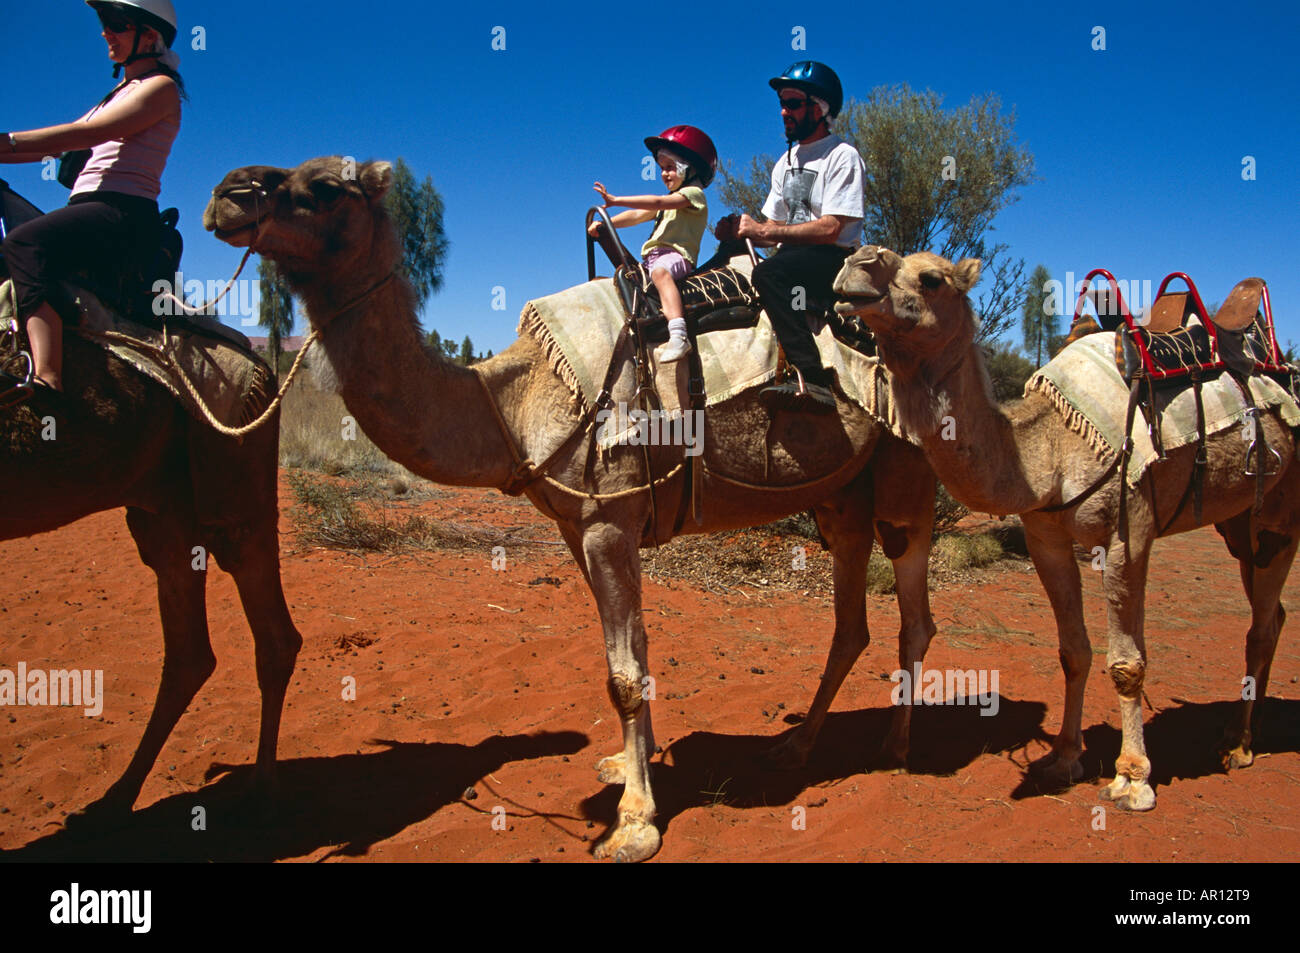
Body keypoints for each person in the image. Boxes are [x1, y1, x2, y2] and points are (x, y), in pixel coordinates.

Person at [1, 0, 183, 394]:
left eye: (117, 23)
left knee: (23, 242)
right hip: (89, 210)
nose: (106, 32)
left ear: (150, 36)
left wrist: (8, 141)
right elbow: (51, 149)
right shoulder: (118, 93)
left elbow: (83, 135)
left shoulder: (161, 88)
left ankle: (48, 377)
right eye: (104, 22)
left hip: (122, 213)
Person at [716, 61, 865, 413]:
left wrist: (765, 231)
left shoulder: (843, 156)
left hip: (832, 260)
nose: (784, 111)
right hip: (793, 257)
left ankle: (813, 377)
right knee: (729, 256)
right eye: (782, 103)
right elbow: (771, 228)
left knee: (769, 273)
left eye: (793, 103)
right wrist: (740, 232)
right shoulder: (784, 163)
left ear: (820, 108)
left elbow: (831, 229)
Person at [589, 125, 716, 363]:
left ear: (690, 169)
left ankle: (679, 334)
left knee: (660, 273)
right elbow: (638, 215)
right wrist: (606, 224)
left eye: (670, 168)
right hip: (652, 258)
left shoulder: (693, 195)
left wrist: (616, 200)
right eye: (662, 169)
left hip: (676, 257)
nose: (664, 174)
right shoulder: (670, 200)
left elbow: (655, 201)